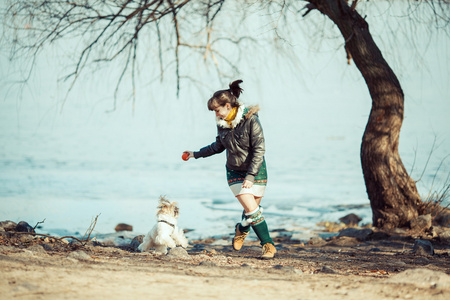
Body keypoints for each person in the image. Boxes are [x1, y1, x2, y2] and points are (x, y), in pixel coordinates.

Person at [183, 79, 276, 259]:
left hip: (256, 170)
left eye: (217, 110)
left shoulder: (251, 120)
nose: (216, 115)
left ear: (227, 106)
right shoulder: (221, 123)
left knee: (251, 211)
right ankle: (268, 245)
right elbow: (218, 146)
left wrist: (251, 176)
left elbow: (259, 149)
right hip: (234, 171)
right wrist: (195, 154)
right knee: (253, 211)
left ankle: (241, 228)